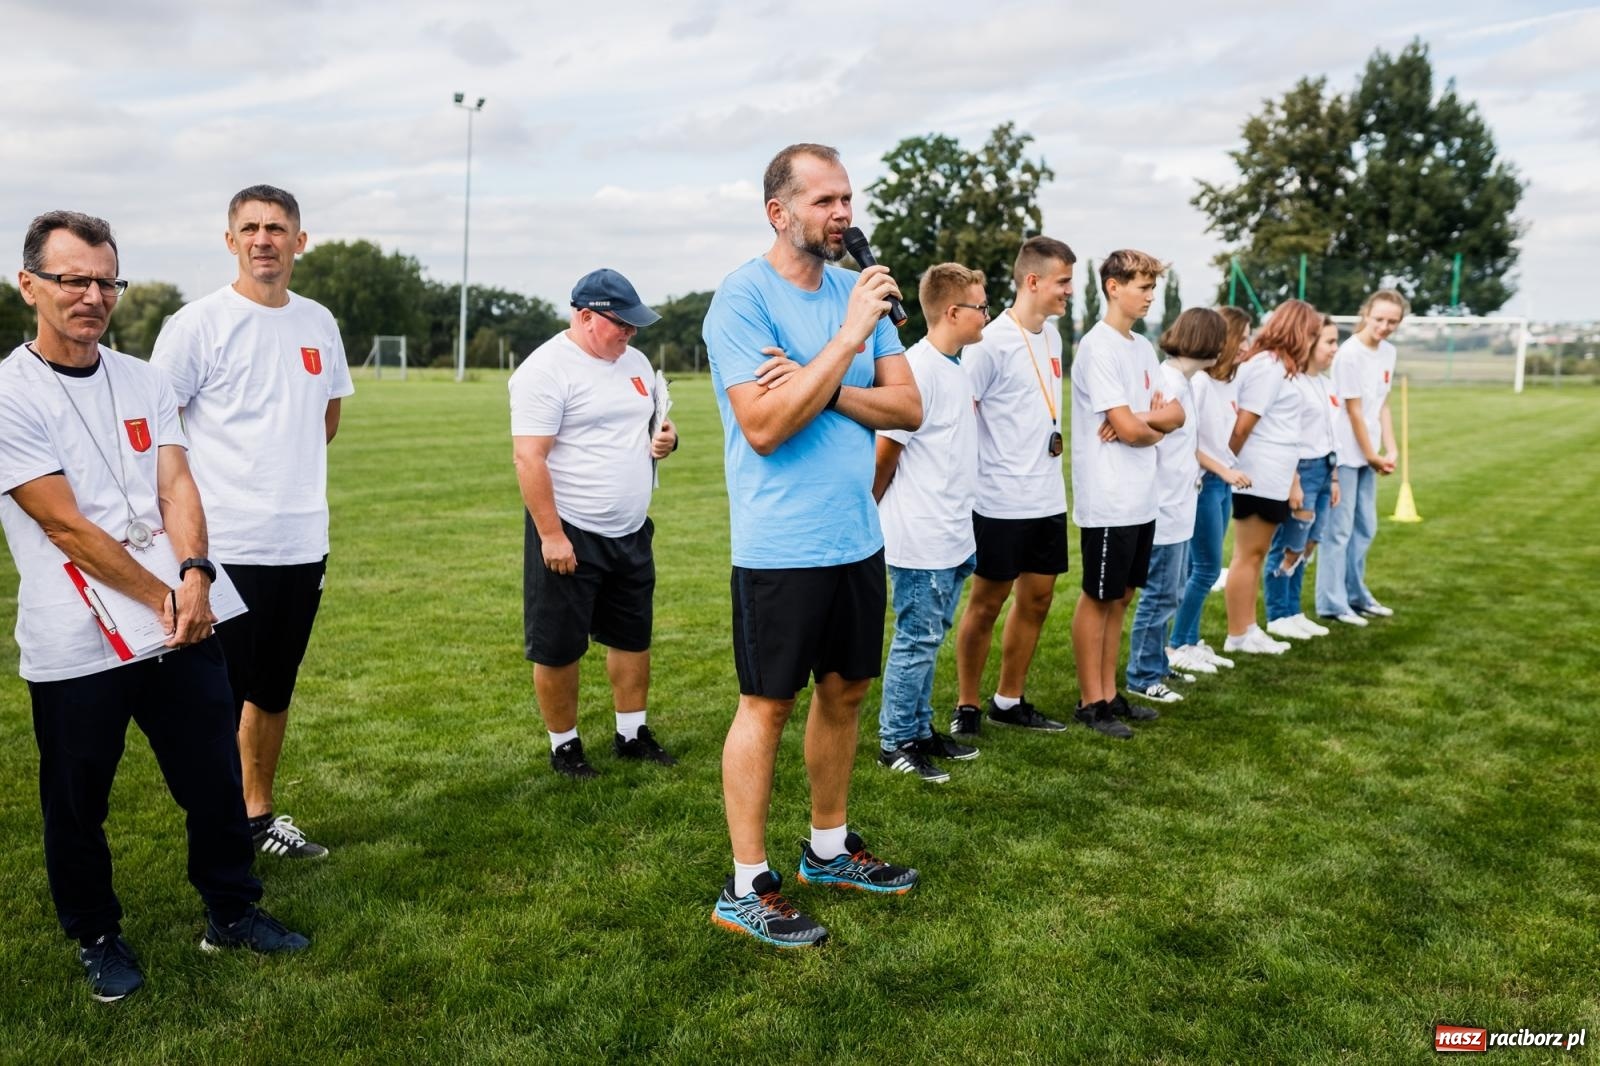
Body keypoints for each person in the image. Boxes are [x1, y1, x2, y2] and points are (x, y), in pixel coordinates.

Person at [2, 212, 307, 1003]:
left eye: (107, 281)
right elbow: (61, 520)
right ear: (29, 283)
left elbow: (176, 483)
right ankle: (98, 935)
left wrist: (199, 575)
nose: (93, 296)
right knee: (78, 799)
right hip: (80, 639)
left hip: (184, 622)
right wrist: (166, 594)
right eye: (74, 280)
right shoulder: (9, 392)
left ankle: (233, 912)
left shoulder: (142, 377)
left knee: (211, 776)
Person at [702, 143, 923, 948]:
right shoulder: (741, 301)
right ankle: (746, 885)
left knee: (846, 692)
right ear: (779, 212)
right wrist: (847, 339)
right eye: (825, 200)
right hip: (780, 543)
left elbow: (909, 409)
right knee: (767, 704)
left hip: (855, 535)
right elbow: (763, 427)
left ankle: (828, 850)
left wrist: (813, 380)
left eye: (847, 198)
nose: (843, 215)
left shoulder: (857, 289)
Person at [152, 185, 354, 861]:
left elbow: (325, 417)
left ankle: (257, 815)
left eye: (277, 227)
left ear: (300, 241)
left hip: (301, 543)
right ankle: (216, 833)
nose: (264, 238)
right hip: (225, 546)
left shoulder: (319, 322)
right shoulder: (197, 324)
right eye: (251, 227)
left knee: (273, 689)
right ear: (230, 239)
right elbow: (156, 433)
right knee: (216, 698)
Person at [509, 268, 679, 778]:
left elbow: (652, 424)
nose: (630, 333)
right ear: (585, 317)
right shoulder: (545, 370)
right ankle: (565, 747)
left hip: (630, 528)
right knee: (560, 645)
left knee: (632, 636)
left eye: (635, 325)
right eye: (621, 323)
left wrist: (667, 440)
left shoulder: (637, 363)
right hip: (571, 530)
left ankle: (631, 734)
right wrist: (552, 535)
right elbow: (529, 459)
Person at [950, 236, 1079, 736]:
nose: (1069, 291)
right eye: (1063, 282)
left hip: (1046, 496)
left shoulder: (1053, 337)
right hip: (999, 500)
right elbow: (963, 415)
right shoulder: (990, 341)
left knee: (1039, 599)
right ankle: (966, 705)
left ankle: (1009, 698)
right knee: (987, 602)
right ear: (1033, 281)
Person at [872, 263, 987, 784]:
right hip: (921, 535)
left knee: (931, 636)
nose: (987, 314)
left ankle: (920, 730)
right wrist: (870, 513)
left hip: (954, 531)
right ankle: (895, 739)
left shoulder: (955, 364)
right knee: (916, 639)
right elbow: (885, 453)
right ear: (952, 311)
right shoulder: (914, 368)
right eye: (981, 307)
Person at [1069, 250, 1184, 738]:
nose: (1149, 296)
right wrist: (1144, 424)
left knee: (1122, 597)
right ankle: (1090, 701)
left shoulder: (1141, 347)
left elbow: (1174, 415)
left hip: (1142, 495)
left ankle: (1111, 694)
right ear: (1113, 287)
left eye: (1153, 288)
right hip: (1110, 497)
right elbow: (1127, 430)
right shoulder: (1097, 348)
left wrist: (1144, 422)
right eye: (1142, 287)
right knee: (1098, 597)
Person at [1124, 308, 1226, 705]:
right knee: (1160, 594)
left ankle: (1158, 662)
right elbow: (1145, 428)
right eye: (1219, 340)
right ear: (1204, 340)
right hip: (1165, 506)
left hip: (1183, 503)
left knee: (1173, 590)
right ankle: (1142, 674)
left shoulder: (1187, 382)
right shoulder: (1168, 381)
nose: (1223, 348)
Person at [1221, 299, 1323, 655]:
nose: (1312, 342)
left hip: (1274, 474)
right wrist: (1225, 466)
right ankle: (1238, 634)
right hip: (1257, 473)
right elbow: (1244, 424)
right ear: (1298, 331)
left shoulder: (1281, 367)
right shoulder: (1267, 366)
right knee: (1247, 554)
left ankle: (1249, 628)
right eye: (1311, 334)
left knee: (1258, 553)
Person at [1168, 306, 1252, 673]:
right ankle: (1176, 644)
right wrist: (1225, 471)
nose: (1247, 345)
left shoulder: (1229, 382)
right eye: (1244, 338)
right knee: (1204, 569)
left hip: (1222, 484)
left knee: (1201, 568)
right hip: (1205, 484)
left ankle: (1190, 639)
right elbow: (1191, 443)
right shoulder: (1198, 384)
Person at [1317, 289, 1405, 626]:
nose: (1384, 326)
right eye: (1379, 319)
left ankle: (1357, 594)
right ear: (1365, 314)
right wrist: (1371, 455)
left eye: (1392, 322)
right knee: (1339, 531)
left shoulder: (1389, 352)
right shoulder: (1349, 354)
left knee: (1366, 527)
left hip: (1370, 455)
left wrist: (1391, 449)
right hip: (1345, 453)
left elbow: (1382, 403)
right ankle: (1332, 603)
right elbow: (1353, 411)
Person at [1263, 315, 1341, 639]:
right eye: (1330, 342)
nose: (1335, 349)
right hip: (1302, 471)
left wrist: (1334, 477)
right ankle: (1277, 613)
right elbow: (1288, 434)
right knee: (1289, 544)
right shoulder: (1292, 383)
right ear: (1309, 342)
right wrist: (1294, 478)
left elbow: (1331, 432)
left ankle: (1294, 610)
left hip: (1325, 469)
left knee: (1310, 543)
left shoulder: (1325, 383)